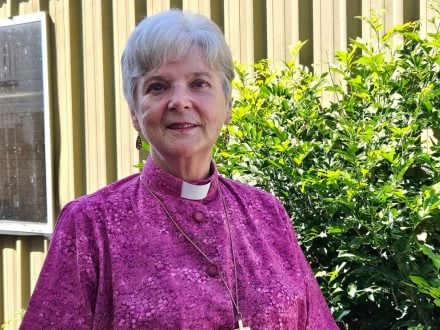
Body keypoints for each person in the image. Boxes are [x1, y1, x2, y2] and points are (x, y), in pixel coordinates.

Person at [21, 9, 338, 329]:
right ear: (134, 112)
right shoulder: (91, 224)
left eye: (199, 83)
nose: (180, 102)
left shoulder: (267, 214)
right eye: (158, 87)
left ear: (227, 106)